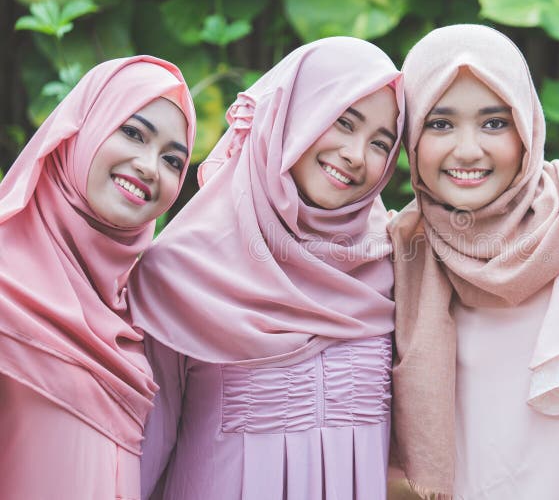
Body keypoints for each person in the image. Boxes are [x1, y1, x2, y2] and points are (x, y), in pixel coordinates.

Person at [127, 37, 404, 499]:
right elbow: (140, 455)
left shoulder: (390, 262)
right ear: (290, 114)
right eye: (342, 121)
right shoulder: (180, 270)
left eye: (380, 142)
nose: (357, 154)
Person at [388, 24, 559, 500]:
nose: (468, 150)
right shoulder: (399, 253)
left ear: (526, 127)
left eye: (494, 122)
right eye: (440, 123)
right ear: (409, 135)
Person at [0, 55, 195, 499]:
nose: (150, 166)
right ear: (80, 129)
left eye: (171, 159)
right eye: (132, 133)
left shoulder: (139, 312)